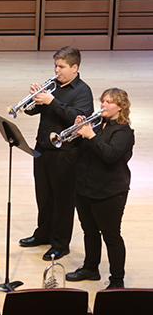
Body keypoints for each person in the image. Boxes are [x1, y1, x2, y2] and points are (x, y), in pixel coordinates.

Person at [19, 46, 94, 260]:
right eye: (55, 65)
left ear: (74, 67)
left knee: (62, 201)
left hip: (67, 154)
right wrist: (34, 98)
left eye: (61, 66)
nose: (57, 70)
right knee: (44, 197)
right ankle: (43, 234)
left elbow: (79, 118)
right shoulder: (53, 86)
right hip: (43, 150)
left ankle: (61, 244)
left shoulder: (83, 91)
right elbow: (31, 111)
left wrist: (53, 102)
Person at [65, 88, 134, 289]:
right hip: (85, 187)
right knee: (90, 231)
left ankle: (116, 280)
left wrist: (90, 135)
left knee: (111, 236)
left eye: (109, 102)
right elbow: (84, 152)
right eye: (102, 101)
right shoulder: (97, 124)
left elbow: (110, 155)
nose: (103, 105)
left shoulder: (124, 132)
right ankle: (90, 268)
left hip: (110, 191)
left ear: (120, 107)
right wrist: (79, 132)